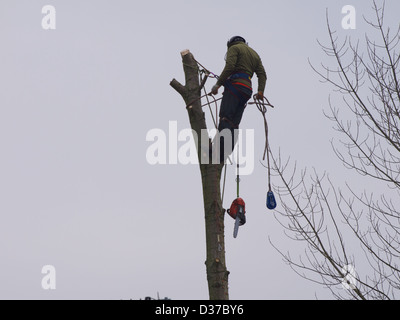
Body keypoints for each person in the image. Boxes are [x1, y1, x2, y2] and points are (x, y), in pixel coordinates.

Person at [211, 36, 267, 163]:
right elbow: (262, 74)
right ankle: (227, 150)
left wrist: (218, 84)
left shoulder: (234, 48)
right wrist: (260, 91)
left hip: (234, 87)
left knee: (225, 117)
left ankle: (218, 151)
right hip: (247, 91)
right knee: (234, 123)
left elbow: (230, 66)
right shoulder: (254, 54)